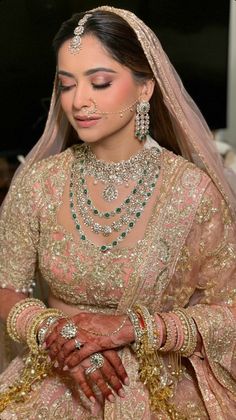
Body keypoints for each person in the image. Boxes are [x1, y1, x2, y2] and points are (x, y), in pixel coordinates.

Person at [0, 5, 235, 419]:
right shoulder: (40, 183)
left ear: (145, 89)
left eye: (101, 82)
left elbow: (229, 311)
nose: (79, 101)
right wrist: (58, 333)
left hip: (158, 389)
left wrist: (135, 328)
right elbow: (8, 288)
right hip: (55, 375)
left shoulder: (192, 192)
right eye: (67, 85)